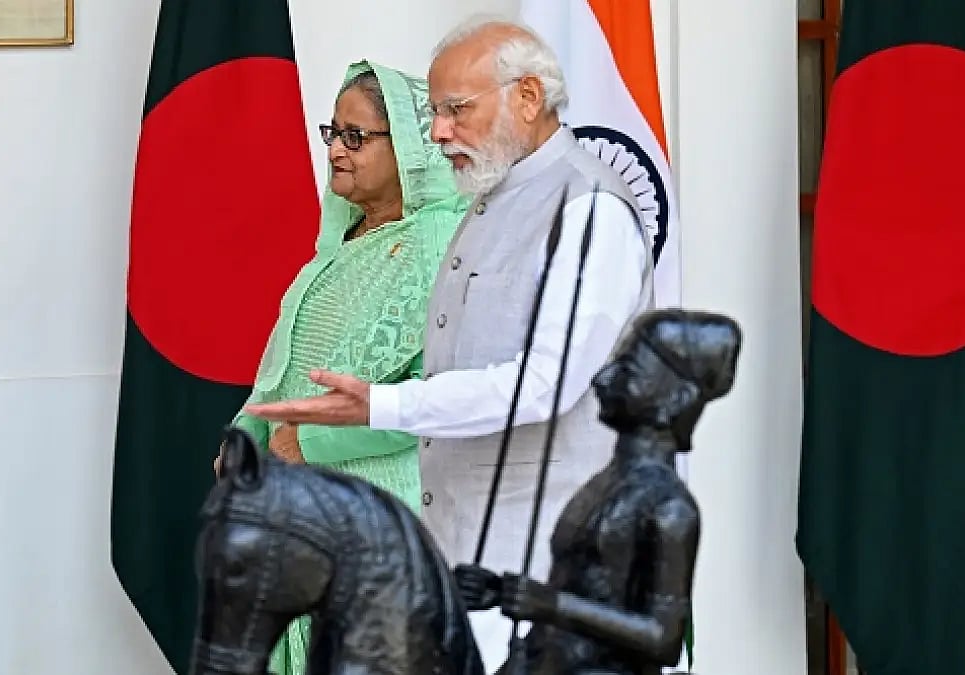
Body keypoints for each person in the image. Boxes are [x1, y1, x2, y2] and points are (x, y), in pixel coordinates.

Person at [242, 16, 655, 671]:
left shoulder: (588, 208)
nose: (436, 133)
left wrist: (377, 407)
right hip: (462, 562)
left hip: (548, 567)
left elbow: (541, 385)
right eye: (434, 113)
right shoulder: (488, 206)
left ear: (527, 97)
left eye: (457, 110)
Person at [218, 60, 470, 675]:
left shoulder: (440, 244)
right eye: (332, 132)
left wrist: (308, 443)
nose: (335, 150)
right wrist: (248, 436)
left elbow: (443, 394)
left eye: (355, 137)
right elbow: (288, 368)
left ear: (407, 148)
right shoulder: (341, 245)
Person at [454, 309, 741, 674]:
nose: (602, 379)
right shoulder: (607, 482)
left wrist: (551, 605)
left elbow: (664, 638)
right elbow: (586, 586)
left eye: (628, 369)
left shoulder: (670, 508)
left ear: (677, 398)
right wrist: (499, 590)